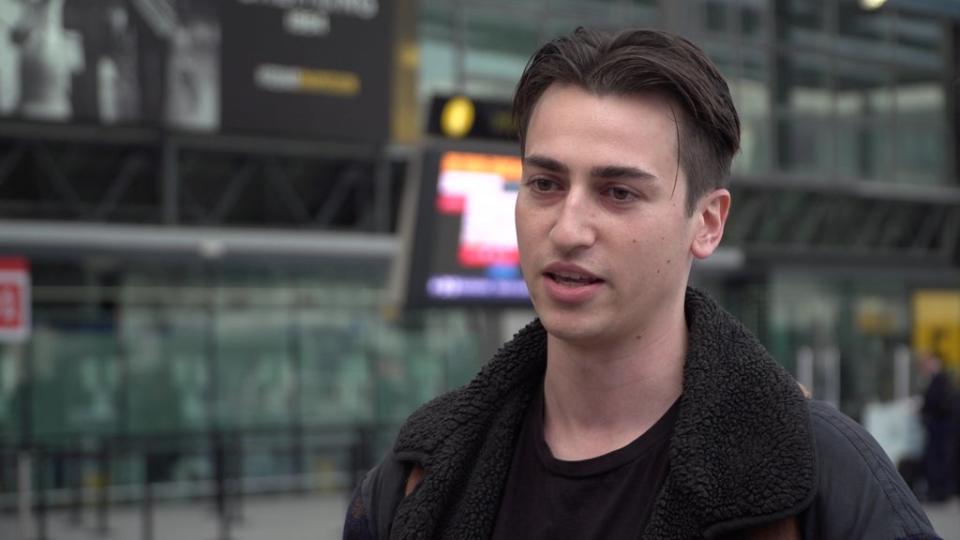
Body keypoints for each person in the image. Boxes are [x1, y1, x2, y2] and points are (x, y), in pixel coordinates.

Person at [344, 28, 939, 539]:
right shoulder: (416, 478)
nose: (569, 228)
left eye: (619, 192)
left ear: (706, 224)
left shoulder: (821, 476)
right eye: (545, 184)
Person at [920, 351, 957, 503]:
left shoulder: (941, 381)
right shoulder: (939, 380)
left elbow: (938, 404)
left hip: (941, 429)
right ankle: (938, 491)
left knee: (938, 460)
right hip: (940, 428)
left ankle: (939, 492)